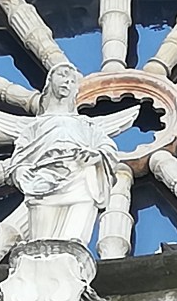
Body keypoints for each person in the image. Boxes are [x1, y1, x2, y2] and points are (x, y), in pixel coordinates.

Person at [7, 63, 120, 245]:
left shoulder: (86, 124)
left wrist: (95, 155)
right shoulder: (35, 126)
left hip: (80, 177)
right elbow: (20, 156)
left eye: (72, 80)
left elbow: (106, 147)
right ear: (50, 81)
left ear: (75, 90)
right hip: (43, 179)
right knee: (40, 241)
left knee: (74, 240)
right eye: (62, 75)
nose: (67, 81)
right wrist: (20, 171)